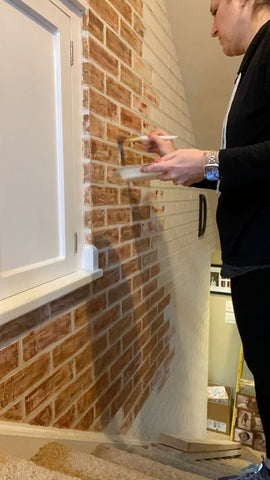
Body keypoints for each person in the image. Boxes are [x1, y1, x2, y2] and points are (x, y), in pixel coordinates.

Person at [141, 1, 270, 479]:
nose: (212, 28)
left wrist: (210, 162)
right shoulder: (252, 61)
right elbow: (242, 169)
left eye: (215, 10)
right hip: (250, 257)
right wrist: (185, 163)